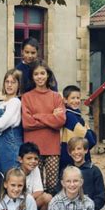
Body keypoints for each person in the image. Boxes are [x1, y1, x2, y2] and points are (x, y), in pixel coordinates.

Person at [21, 60, 66, 194]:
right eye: (36, 74)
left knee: (53, 185)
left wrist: (38, 116)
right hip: (33, 148)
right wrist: (50, 117)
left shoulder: (56, 97)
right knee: (35, 187)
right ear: (32, 77)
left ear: (48, 75)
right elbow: (27, 123)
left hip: (52, 147)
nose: (39, 77)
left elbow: (60, 120)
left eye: (42, 73)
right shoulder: (27, 97)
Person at [67, 137, 105, 210]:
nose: (76, 152)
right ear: (69, 153)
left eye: (79, 149)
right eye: (73, 150)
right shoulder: (66, 171)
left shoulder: (94, 171)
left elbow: (101, 197)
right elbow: (59, 193)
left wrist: (90, 207)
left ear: (86, 150)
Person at [0, 69, 23, 174]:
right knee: (1, 176)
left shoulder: (15, 102)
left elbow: (1, 123)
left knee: (12, 175)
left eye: (13, 82)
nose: (9, 85)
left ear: (19, 85)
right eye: (7, 82)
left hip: (11, 146)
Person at [59, 85, 96, 172]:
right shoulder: (70, 116)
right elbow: (91, 140)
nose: (76, 101)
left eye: (78, 98)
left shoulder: (76, 115)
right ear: (65, 100)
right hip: (72, 157)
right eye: (72, 98)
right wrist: (89, 130)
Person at [17, 142, 52, 210]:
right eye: (29, 158)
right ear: (20, 159)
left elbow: (39, 191)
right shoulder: (16, 173)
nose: (33, 161)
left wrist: (27, 200)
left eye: (36, 159)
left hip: (27, 203)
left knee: (47, 198)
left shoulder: (35, 169)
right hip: (17, 207)